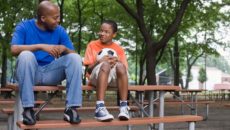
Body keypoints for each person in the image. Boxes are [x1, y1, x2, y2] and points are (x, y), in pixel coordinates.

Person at [10, 1, 82, 125]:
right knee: (26, 55)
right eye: (55, 18)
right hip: (29, 73)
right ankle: (28, 109)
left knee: (75, 58)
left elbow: (72, 53)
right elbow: (14, 49)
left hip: (50, 73)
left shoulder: (59, 30)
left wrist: (64, 49)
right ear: (43, 18)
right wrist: (40, 46)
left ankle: (71, 109)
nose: (58, 20)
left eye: (58, 16)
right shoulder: (24, 26)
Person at [83, 20, 130, 121]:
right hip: (96, 78)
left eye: (106, 32)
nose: (102, 34)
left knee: (121, 66)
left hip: (113, 80)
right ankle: (99, 108)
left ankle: (124, 107)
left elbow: (124, 71)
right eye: (101, 31)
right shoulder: (92, 45)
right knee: (105, 65)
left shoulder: (119, 49)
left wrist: (117, 62)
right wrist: (99, 61)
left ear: (114, 34)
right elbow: (88, 70)